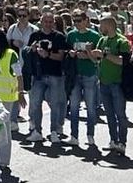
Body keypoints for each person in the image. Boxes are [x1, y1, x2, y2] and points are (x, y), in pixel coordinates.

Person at [26, 13, 68, 145]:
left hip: (55, 75)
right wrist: (32, 50)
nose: (48, 24)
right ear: (41, 22)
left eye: (51, 22)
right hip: (38, 75)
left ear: (54, 23)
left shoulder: (59, 37)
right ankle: (37, 131)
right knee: (35, 104)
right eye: (46, 21)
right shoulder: (35, 36)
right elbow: (27, 52)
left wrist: (47, 54)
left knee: (54, 104)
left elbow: (61, 57)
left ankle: (54, 131)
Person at [96, 15, 130, 156]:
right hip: (104, 82)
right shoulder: (102, 40)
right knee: (109, 114)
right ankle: (113, 140)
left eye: (101, 25)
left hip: (117, 82)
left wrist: (104, 55)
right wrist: (89, 52)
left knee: (120, 115)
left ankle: (122, 142)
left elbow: (123, 61)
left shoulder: (122, 41)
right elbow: (96, 57)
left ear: (108, 25)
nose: (99, 28)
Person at [67, 12, 102, 147]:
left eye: (79, 20)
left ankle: (90, 135)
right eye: (74, 20)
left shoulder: (94, 35)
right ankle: (74, 135)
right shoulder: (71, 35)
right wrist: (71, 54)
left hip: (89, 74)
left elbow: (98, 56)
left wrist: (87, 55)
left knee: (90, 106)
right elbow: (67, 51)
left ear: (86, 20)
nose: (77, 23)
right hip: (75, 74)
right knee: (74, 106)